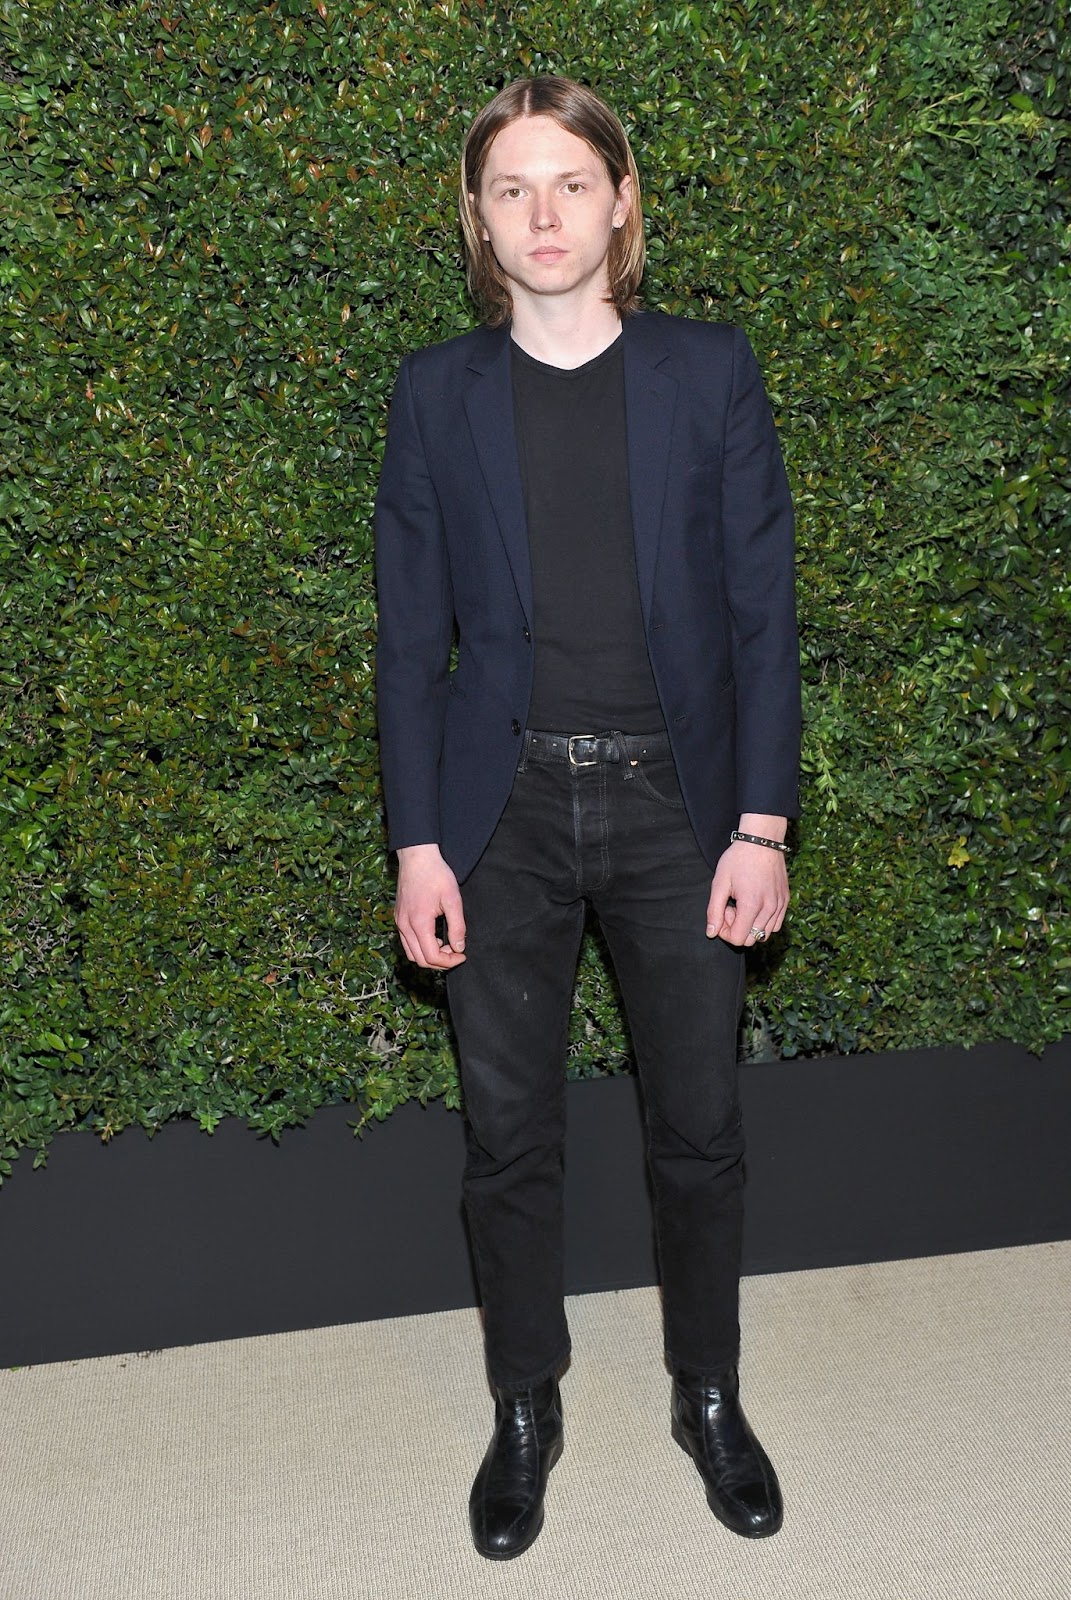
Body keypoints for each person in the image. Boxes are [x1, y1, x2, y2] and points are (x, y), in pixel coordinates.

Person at [374, 74, 801, 1559]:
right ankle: (526, 1408)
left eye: (570, 182)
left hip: (684, 812)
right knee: (508, 1140)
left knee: (701, 1131)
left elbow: (763, 614)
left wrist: (764, 825)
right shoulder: (437, 393)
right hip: (502, 820)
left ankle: (707, 1393)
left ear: (623, 198)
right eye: (511, 188)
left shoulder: (709, 371)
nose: (543, 213)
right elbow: (407, 634)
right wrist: (417, 841)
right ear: (479, 221)